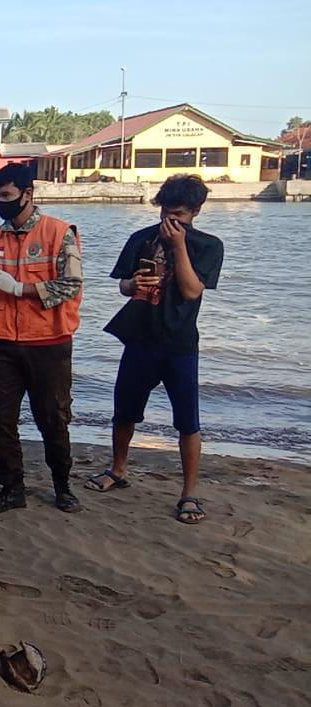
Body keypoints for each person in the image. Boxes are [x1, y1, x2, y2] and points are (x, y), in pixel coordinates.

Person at [88, 174, 223, 525]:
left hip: (179, 344)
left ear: (196, 211)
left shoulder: (208, 245)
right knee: (124, 412)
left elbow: (193, 291)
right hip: (140, 338)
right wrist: (132, 283)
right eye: (165, 211)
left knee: (187, 421)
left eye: (178, 214)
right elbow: (123, 285)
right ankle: (118, 468)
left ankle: (189, 492)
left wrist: (178, 247)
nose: (170, 221)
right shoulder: (141, 238)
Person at [0, 163, 84, 514]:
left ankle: (63, 485)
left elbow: (71, 284)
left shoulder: (60, 233)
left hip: (48, 341)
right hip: (3, 340)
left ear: (28, 194)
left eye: (5, 195)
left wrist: (22, 288)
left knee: (52, 417)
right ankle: (11, 487)